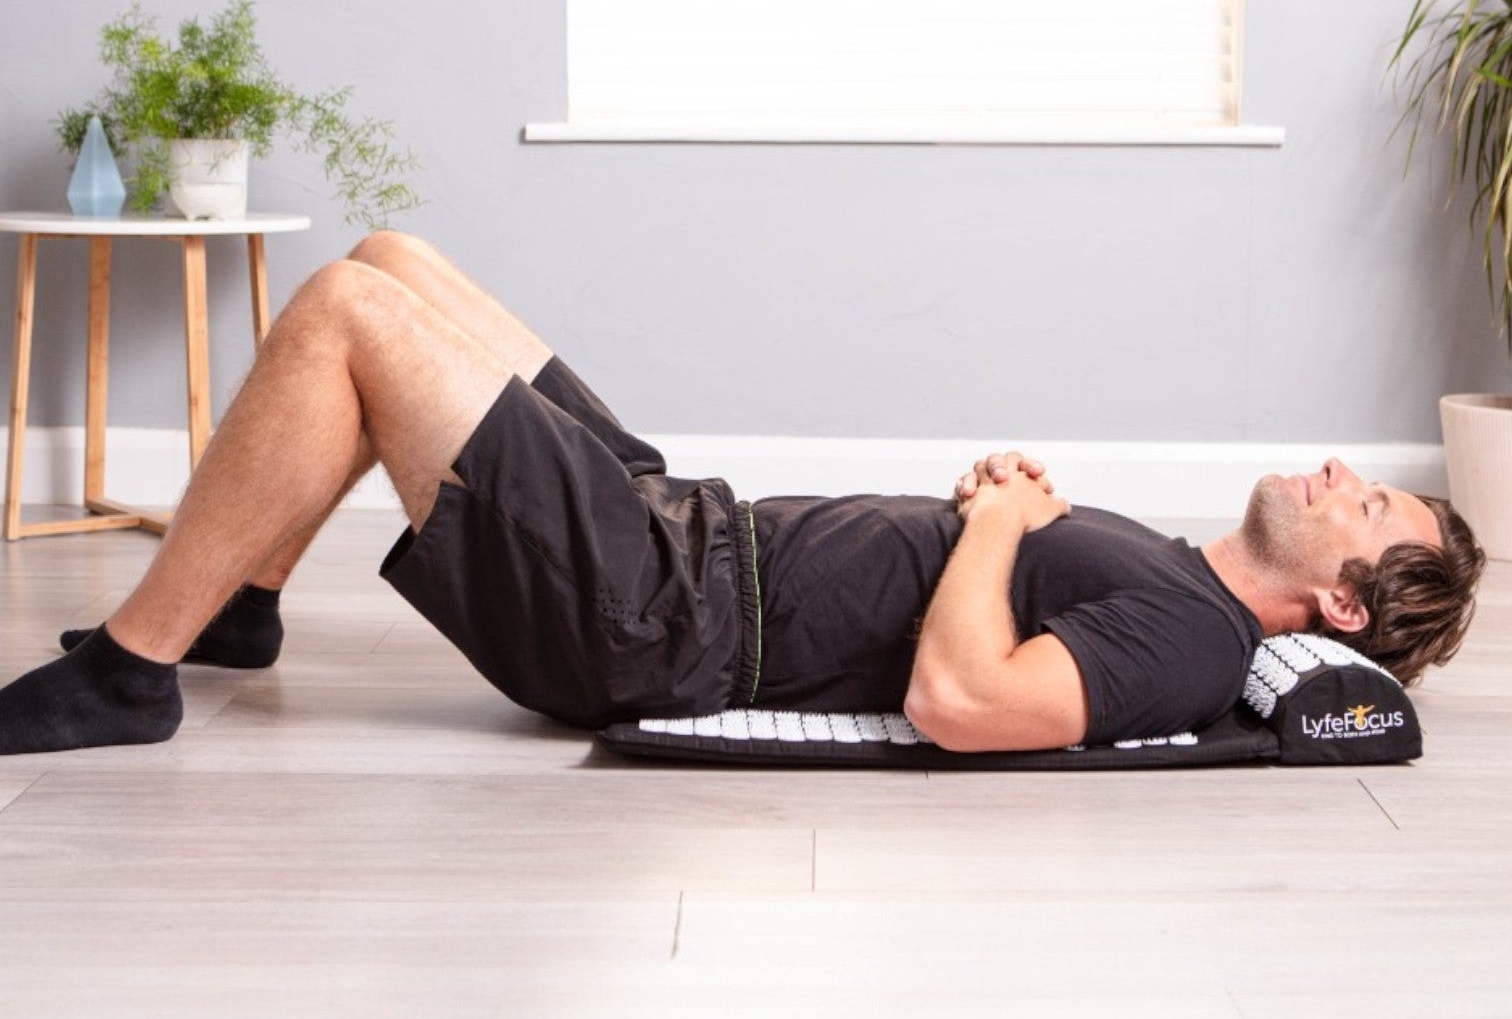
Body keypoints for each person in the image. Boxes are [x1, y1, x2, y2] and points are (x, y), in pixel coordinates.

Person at [0, 231, 1486, 757]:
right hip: (690, 534)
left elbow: (964, 709)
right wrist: (1003, 516)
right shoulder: (1177, 580)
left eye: (1368, 508)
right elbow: (993, 602)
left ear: (1340, 601)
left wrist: (991, 524)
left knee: (341, 313)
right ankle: (246, 601)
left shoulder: (1198, 645)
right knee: (395, 258)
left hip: (664, 617)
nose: (1349, 475)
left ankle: (136, 669)